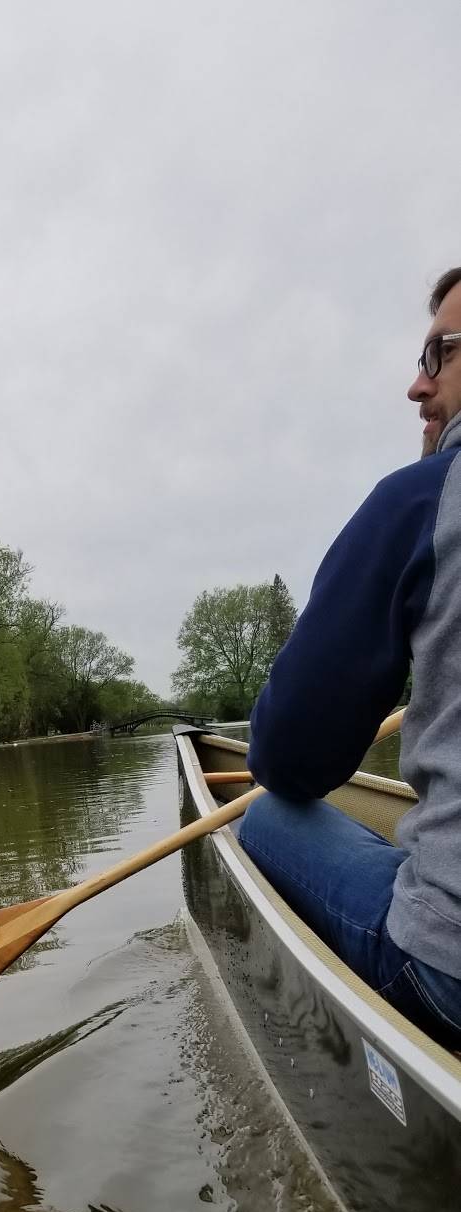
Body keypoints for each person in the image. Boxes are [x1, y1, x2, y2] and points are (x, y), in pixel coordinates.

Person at [239, 266, 461, 1049]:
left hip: (450, 977)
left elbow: (291, 760)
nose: (416, 385)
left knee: (267, 814)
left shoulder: (422, 500)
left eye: (440, 355)